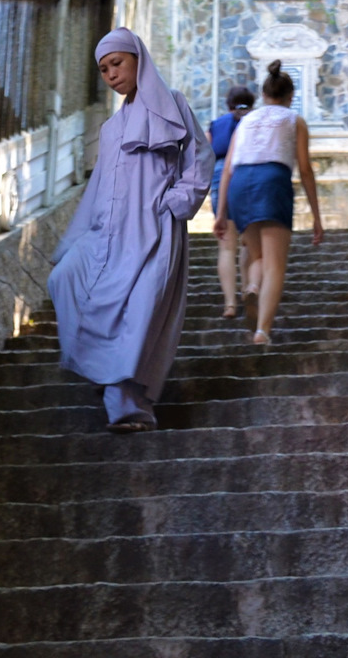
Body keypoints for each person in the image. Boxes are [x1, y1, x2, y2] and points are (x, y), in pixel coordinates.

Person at [47, 27, 210, 431]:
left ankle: (127, 404)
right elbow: (100, 184)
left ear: (138, 58)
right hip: (108, 232)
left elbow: (200, 157)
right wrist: (84, 234)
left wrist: (177, 203)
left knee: (140, 312)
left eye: (117, 63)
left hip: (156, 229)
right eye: (103, 70)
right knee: (64, 278)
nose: (111, 75)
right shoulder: (111, 128)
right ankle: (102, 369)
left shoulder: (173, 105)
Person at [213, 59, 324, 345]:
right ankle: (262, 331)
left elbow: (227, 169)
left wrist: (221, 212)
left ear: (263, 95)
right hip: (272, 180)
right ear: (291, 97)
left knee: (258, 254)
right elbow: (305, 168)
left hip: (240, 184)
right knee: (275, 263)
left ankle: (251, 285)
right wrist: (316, 216)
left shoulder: (245, 121)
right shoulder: (293, 120)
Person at [208, 85, 255, 319]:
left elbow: (206, 155)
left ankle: (229, 305)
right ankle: (249, 291)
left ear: (228, 105)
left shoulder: (216, 125)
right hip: (247, 178)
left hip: (219, 180)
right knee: (247, 243)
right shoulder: (254, 122)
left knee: (227, 247)